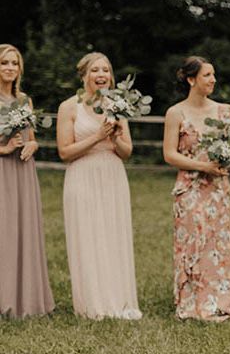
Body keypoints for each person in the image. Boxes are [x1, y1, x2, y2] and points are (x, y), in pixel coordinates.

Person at [162, 56, 230, 322]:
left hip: (217, 189)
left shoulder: (224, 112)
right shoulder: (175, 113)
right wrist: (202, 166)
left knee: (218, 244)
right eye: (207, 75)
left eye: (214, 75)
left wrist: (225, 161)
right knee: (193, 244)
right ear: (191, 79)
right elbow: (169, 154)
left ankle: (224, 298)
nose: (213, 80)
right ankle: (193, 301)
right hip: (189, 189)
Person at [57, 52, 142, 320]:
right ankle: (92, 303)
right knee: (88, 236)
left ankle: (117, 299)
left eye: (106, 70)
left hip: (112, 176)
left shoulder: (117, 105)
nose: (102, 75)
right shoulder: (69, 107)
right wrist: (97, 136)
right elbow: (64, 152)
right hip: (82, 174)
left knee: (112, 235)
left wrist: (115, 138)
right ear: (84, 75)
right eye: (95, 70)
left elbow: (127, 152)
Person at [0, 44, 54, 318]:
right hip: (1, 169)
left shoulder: (24, 100)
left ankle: (25, 297)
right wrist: (3, 149)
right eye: (4, 63)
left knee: (22, 228)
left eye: (14, 63)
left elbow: (31, 136)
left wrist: (33, 145)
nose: (10, 68)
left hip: (23, 169)